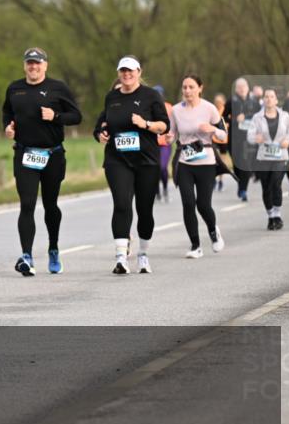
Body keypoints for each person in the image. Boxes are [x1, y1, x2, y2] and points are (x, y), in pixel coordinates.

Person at [1, 47, 82, 276]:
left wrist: (55, 117)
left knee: (50, 205)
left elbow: (76, 117)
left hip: (52, 155)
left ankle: (53, 248)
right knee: (27, 204)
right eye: (30, 63)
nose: (33, 67)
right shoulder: (15, 89)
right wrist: (8, 127)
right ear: (24, 65)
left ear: (45, 65)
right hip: (25, 154)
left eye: (37, 63)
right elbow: (7, 112)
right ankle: (27, 256)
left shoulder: (58, 88)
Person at [94, 56, 170, 275]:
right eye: (123, 71)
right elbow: (101, 124)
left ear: (139, 71)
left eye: (130, 71)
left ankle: (143, 255)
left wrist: (145, 124)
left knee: (144, 210)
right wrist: (101, 133)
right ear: (118, 73)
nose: (126, 74)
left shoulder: (150, 95)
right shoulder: (112, 97)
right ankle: (120, 257)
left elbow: (164, 126)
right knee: (121, 204)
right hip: (117, 160)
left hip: (146, 161)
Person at [166, 75, 227, 259]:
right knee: (188, 203)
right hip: (185, 161)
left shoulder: (210, 109)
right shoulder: (176, 110)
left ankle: (213, 231)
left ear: (200, 88)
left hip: (206, 161)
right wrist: (169, 138)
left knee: (203, 205)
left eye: (191, 87)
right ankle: (195, 245)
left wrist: (213, 130)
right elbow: (172, 133)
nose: (187, 91)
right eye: (184, 87)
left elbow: (223, 135)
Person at [248, 88, 289, 230]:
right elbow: (249, 136)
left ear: (276, 100)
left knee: (275, 184)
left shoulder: (284, 116)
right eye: (266, 97)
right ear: (264, 100)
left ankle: (278, 215)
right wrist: (256, 138)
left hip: (281, 157)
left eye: (271, 96)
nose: (268, 99)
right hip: (264, 158)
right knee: (266, 188)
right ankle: (270, 216)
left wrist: (287, 140)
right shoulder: (257, 117)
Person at [229, 78, 260, 202]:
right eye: (239, 87)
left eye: (244, 87)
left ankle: (243, 189)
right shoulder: (231, 101)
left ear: (248, 88)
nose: (242, 89)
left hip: (249, 138)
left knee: (246, 164)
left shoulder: (254, 102)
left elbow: (261, 117)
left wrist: (246, 117)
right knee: (237, 165)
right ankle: (240, 184)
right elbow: (222, 117)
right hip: (234, 138)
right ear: (236, 89)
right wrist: (235, 119)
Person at [154, 85, 174, 203]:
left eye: (159, 94)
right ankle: (157, 192)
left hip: (165, 143)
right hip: (152, 144)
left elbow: (174, 124)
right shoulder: (148, 107)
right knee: (154, 168)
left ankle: (165, 188)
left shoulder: (169, 107)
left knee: (162, 167)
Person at [212, 93, 229, 191]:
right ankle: (214, 179)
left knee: (222, 161)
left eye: (220, 102)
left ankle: (221, 180)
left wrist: (227, 124)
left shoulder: (226, 110)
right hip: (214, 138)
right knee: (214, 160)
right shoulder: (213, 110)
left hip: (223, 140)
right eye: (216, 102)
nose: (218, 103)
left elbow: (229, 120)